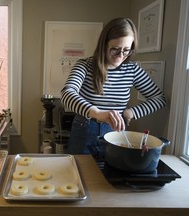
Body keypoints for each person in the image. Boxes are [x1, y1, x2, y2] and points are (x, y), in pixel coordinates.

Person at [60, 17, 166, 157]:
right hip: (85, 128)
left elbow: (159, 98)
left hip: (116, 132)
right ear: (104, 45)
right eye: (115, 49)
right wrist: (98, 113)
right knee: (81, 173)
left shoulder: (132, 69)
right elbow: (67, 94)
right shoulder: (84, 66)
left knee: (111, 174)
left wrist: (132, 112)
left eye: (127, 50)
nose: (120, 56)